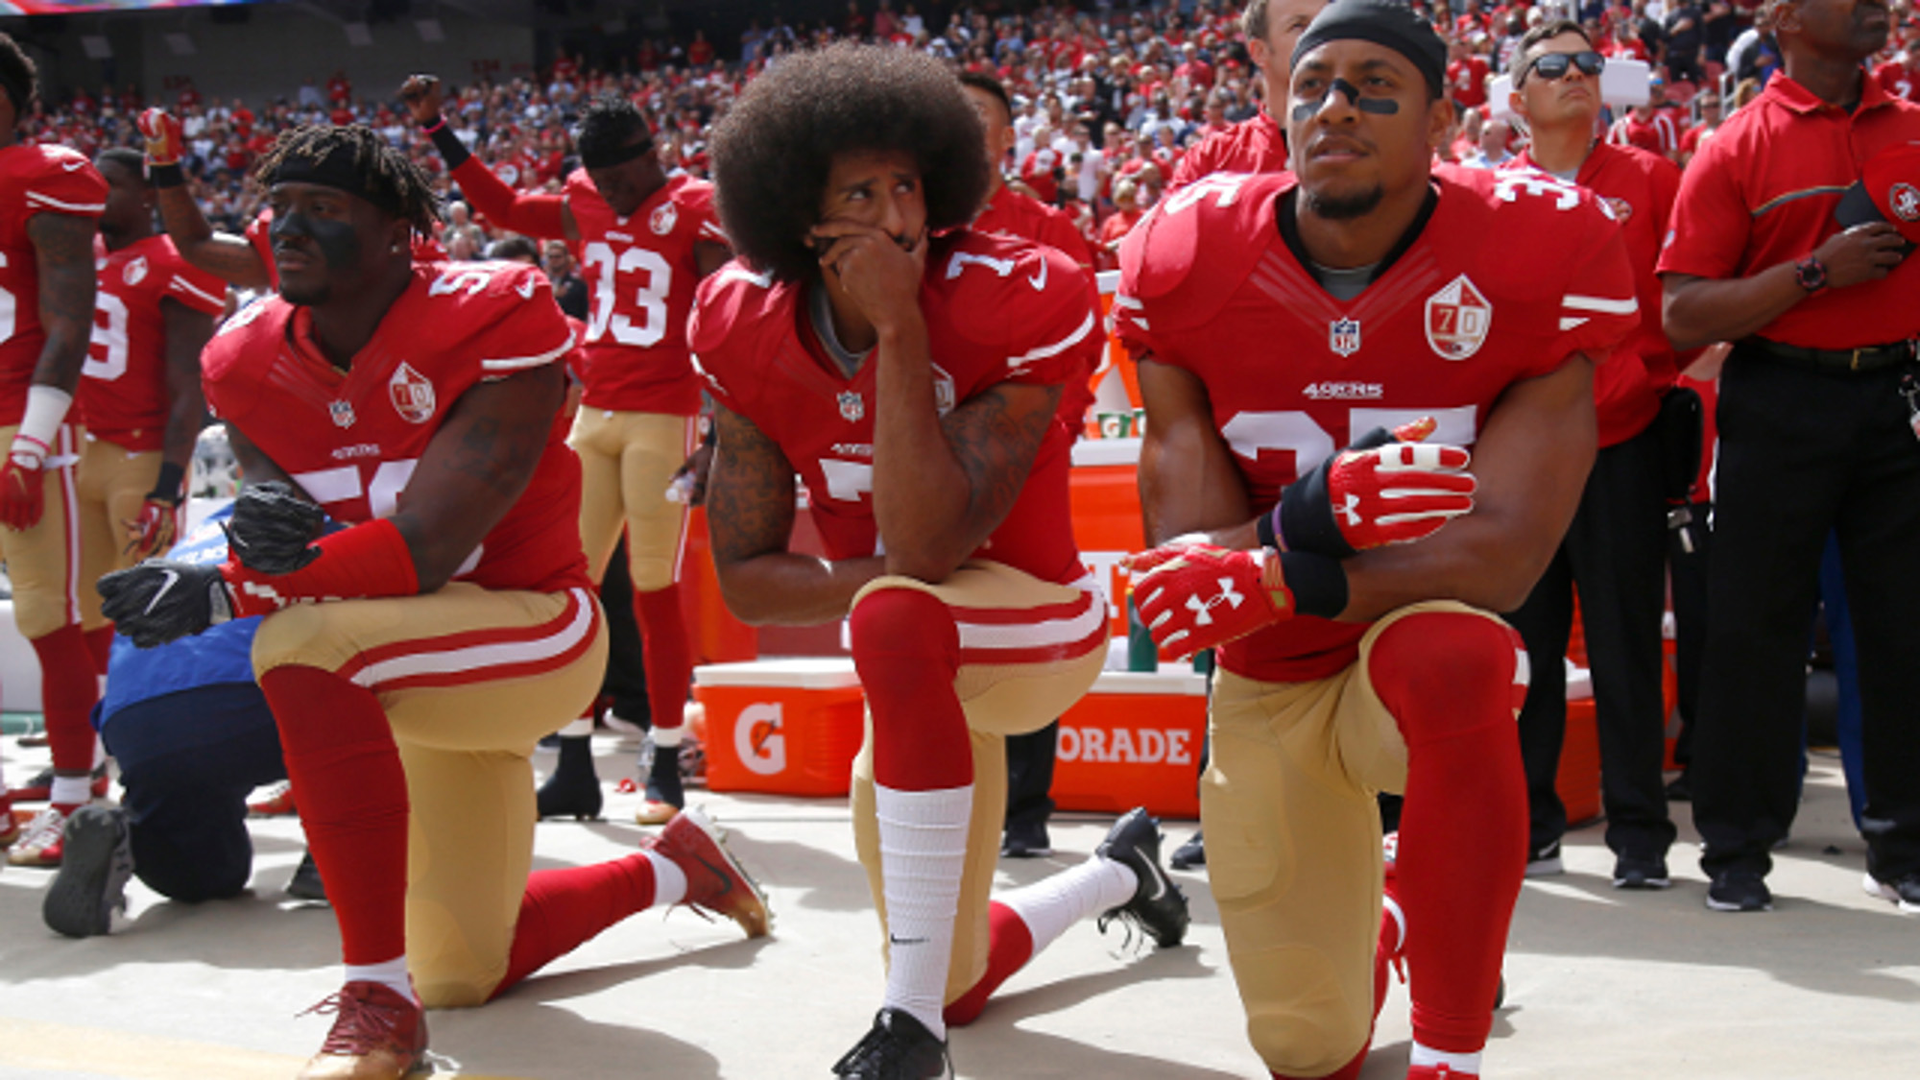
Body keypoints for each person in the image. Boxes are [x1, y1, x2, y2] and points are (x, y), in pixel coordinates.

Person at [97, 124, 769, 1080]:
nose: (288, 228)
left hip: (532, 632)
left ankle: (374, 1006)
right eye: (280, 208)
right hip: (414, 668)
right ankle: (675, 865)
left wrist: (227, 589)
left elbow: (424, 549)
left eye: (324, 210)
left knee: (300, 641)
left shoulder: (492, 312)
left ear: (400, 234)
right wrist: (257, 551)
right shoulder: (247, 356)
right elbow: (281, 528)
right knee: (462, 971)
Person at [1115, 2, 1640, 1077]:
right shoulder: (1189, 251)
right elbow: (1189, 564)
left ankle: (1450, 1054)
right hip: (1272, 674)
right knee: (1308, 1050)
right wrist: (1311, 516)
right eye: (1311, 85)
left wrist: (1283, 566)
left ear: (1444, 117)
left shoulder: (1538, 246)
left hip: (1412, 637)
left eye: (1372, 84)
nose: (1335, 105)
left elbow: (1501, 554)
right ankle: (1399, 919)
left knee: (1456, 653)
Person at [696, 44, 1189, 1078]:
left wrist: (901, 324)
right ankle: (1114, 877)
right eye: (860, 193)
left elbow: (925, 545)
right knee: (958, 969)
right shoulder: (738, 319)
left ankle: (907, 1031)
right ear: (800, 214)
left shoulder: (1019, 289)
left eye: (908, 185)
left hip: (1040, 618)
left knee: (894, 611)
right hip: (911, 650)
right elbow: (745, 574)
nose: (897, 214)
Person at [405, 77, 730, 826]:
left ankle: (664, 757)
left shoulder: (695, 207)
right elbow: (505, 211)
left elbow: (721, 323)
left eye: (624, 178)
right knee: (571, 590)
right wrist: (439, 131)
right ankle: (576, 758)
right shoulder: (586, 196)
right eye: (604, 180)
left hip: (665, 416)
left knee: (653, 589)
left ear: (653, 156)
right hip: (600, 412)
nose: (614, 194)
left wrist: (717, 433)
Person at [1659, 0, 1920, 915]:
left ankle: (1903, 848)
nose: (1877, 5)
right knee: (1752, 633)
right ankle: (1734, 850)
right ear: (1785, 17)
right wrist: (1816, 272)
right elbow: (1683, 315)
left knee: (1903, 632)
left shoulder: (1915, 128)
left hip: (1899, 399)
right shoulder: (1735, 145)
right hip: (1778, 399)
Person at [1502, 20, 1687, 889]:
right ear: (1516, 100)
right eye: (1553, 66)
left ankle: (1640, 835)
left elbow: (1683, 310)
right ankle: (1532, 822)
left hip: (1622, 443)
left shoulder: (1652, 178)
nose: (1577, 76)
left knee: (1623, 644)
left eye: (1588, 64)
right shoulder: (1487, 198)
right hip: (1524, 460)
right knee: (1525, 644)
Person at [44, 500, 324, 941]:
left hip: (138, 720)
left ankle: (128, 839)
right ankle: (332, 856)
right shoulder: (331, 520)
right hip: (252, 695)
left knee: (210, 876)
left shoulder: (198, 535)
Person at [956, 69, 1095, 860]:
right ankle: (954, 797)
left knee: (1032, 614)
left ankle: (1027, 809)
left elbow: (1082, 347)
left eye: (981, 120)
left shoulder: (1046, 229)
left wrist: (1054, 432)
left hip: (1030, 458)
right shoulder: (908, 223)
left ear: (1008, 141)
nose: (967, 133)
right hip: (933, 465)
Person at [0, 32, 110, 868]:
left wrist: (33, 443)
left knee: (49, 614)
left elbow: (68, 320)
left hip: (22, 419)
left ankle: (74, 796)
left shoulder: (45, 173)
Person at [74, 148, 225, 660]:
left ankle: (142, 730)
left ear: (146, 196)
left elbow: (187, 383)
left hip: (140, 456)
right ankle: (104, 729)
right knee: (86, 608)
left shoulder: (171, 260)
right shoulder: (83, 250)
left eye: (110, 184)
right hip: (82, 448)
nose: (96, 193)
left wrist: (166, 487)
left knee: (143, 603)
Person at [1173, 0, 1331, 185]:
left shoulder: (1367, 145)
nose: (1322, 34)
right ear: (1260, 52)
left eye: (1325, 22)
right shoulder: (1210, 160)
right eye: (1299, 26)